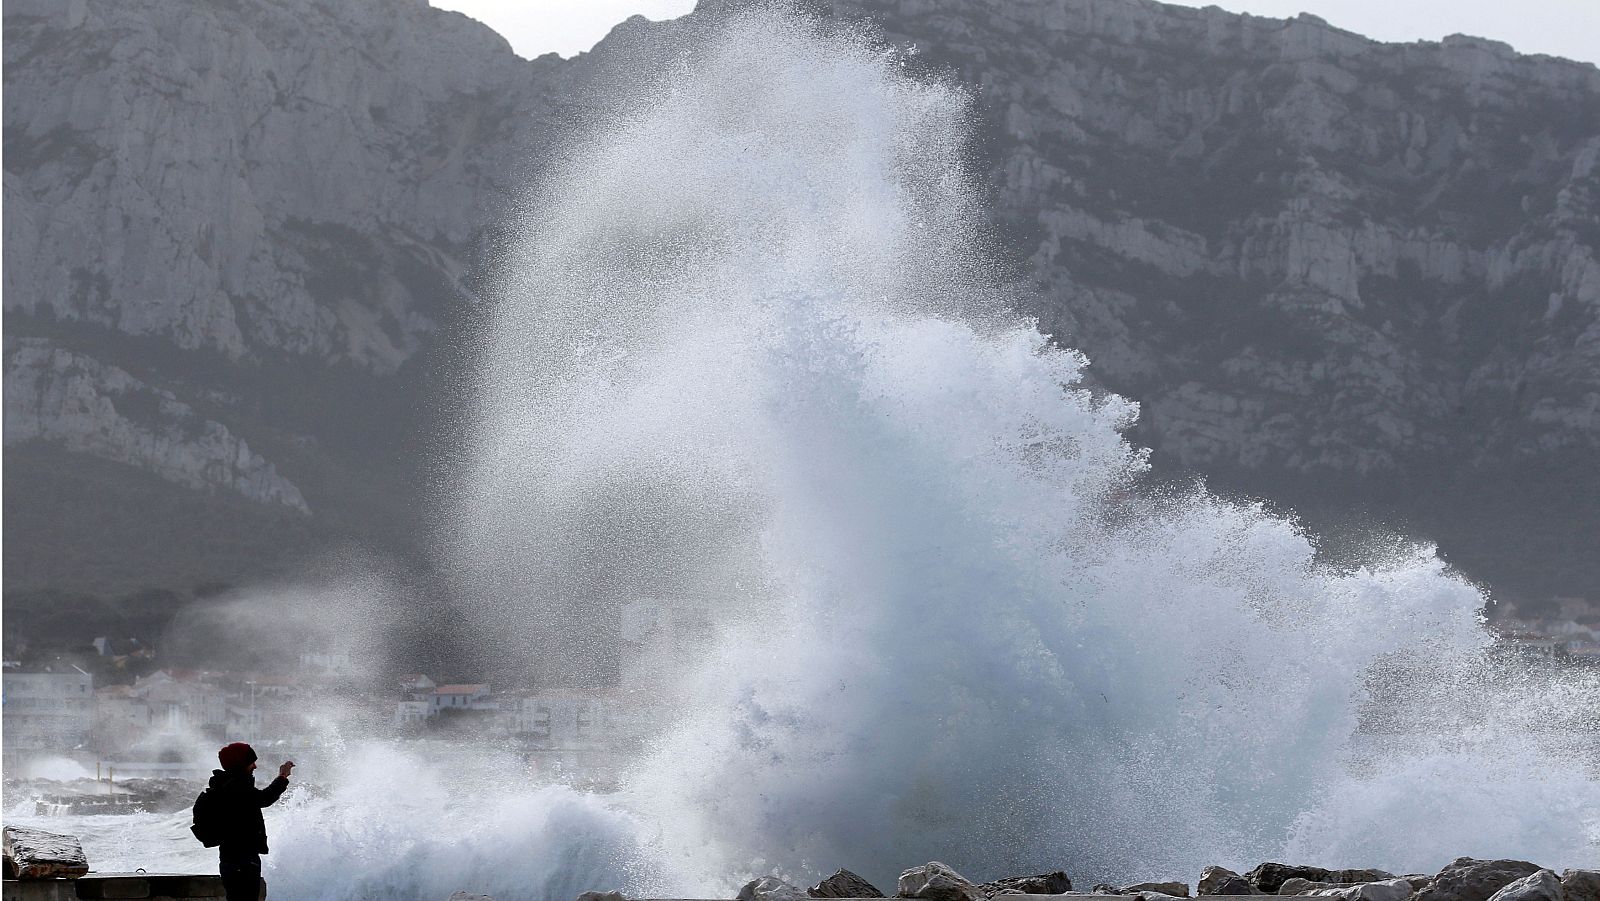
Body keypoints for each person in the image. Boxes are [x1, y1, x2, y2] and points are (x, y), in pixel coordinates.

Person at [209, 742, 293, 901]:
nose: (255, 766)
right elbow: (264, 798)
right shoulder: (235, 788)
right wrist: (282, 777)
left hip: (230, 858)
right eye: (251, 762)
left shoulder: (224, 784)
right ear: (240, 764)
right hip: (242, 860)